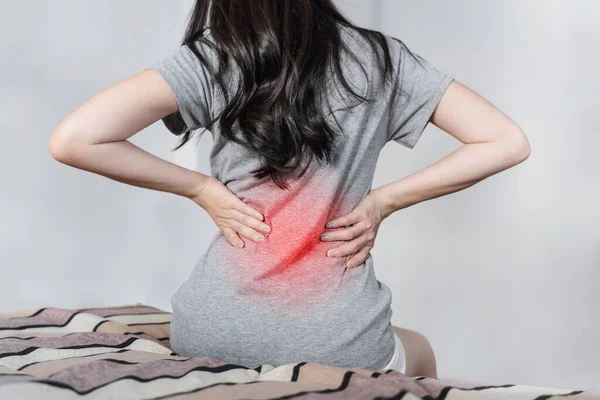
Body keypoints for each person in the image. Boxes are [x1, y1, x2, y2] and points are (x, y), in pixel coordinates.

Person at [48, 0, 530, 378]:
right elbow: (506, 141)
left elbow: (75, 139)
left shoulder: (217, 57)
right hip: (336, 341)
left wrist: (200, 189)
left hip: (209, 331)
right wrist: (384, 201)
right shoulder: (382, 59)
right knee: (420, 349)